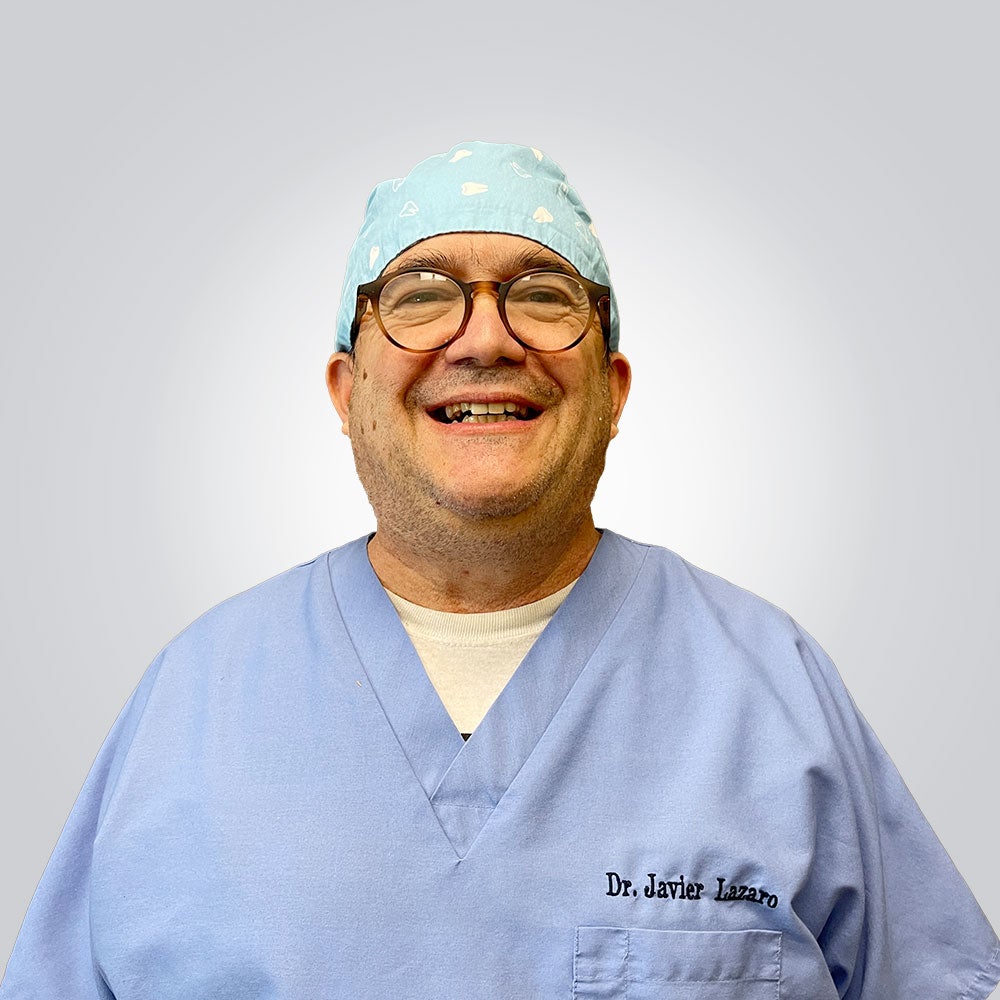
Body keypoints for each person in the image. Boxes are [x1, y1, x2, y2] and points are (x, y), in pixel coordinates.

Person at [1, 140, 997, 999]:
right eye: (421, 296)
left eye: (544, 296)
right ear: (346, 391)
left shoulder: (770, 688)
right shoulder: (192, 699)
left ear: (612, 390)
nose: (484, 337)